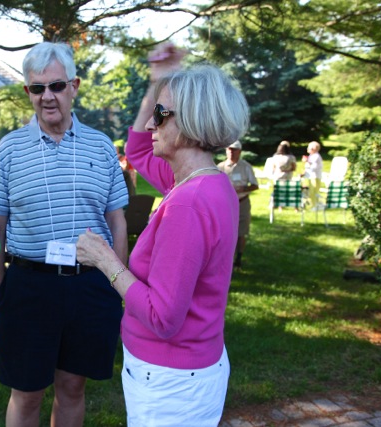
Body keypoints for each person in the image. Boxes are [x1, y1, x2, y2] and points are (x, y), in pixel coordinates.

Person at [76, 43, 249, 426]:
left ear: (190, 121)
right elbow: (137, 149)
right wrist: (157, 84)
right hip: (191, 371)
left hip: (170, 384)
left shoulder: (186, 204)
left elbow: (162, 317)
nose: (151, 123)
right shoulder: (209, 182)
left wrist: (105, 260)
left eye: (161, 114)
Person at [0, 42, 128, 427]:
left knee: (72, 388)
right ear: (28, 92)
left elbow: (117, 221)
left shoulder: (101, 145)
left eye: (57, 86)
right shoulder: (9, 149)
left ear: (75, 86)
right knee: (26, 393)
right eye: (37, 88)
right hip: (28, 287)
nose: (48, 96)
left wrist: (120, 282)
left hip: (89, 286)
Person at [218, 140, 259, 269]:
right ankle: (224, 259)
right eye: (229, 149)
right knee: (224, 231)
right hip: (226, 204)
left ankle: (239, 258)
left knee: (241, 231)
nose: (231, 152)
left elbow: (255, 185)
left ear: (239, 152)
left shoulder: (246, 166)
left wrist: (243, 189)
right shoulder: (220, 167)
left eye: (234, 149)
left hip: (242, 202)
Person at [302, 140, 323, 210]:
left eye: (309, 148)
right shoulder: (312, 156)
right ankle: (314, 205)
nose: (307, 149)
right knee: (311, 192)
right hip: (311, 176)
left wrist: (307, 161)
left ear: (313, 149)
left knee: (314, 192)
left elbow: (314, 167)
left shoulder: (316, 156)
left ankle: (316, 206)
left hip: (315, 176)